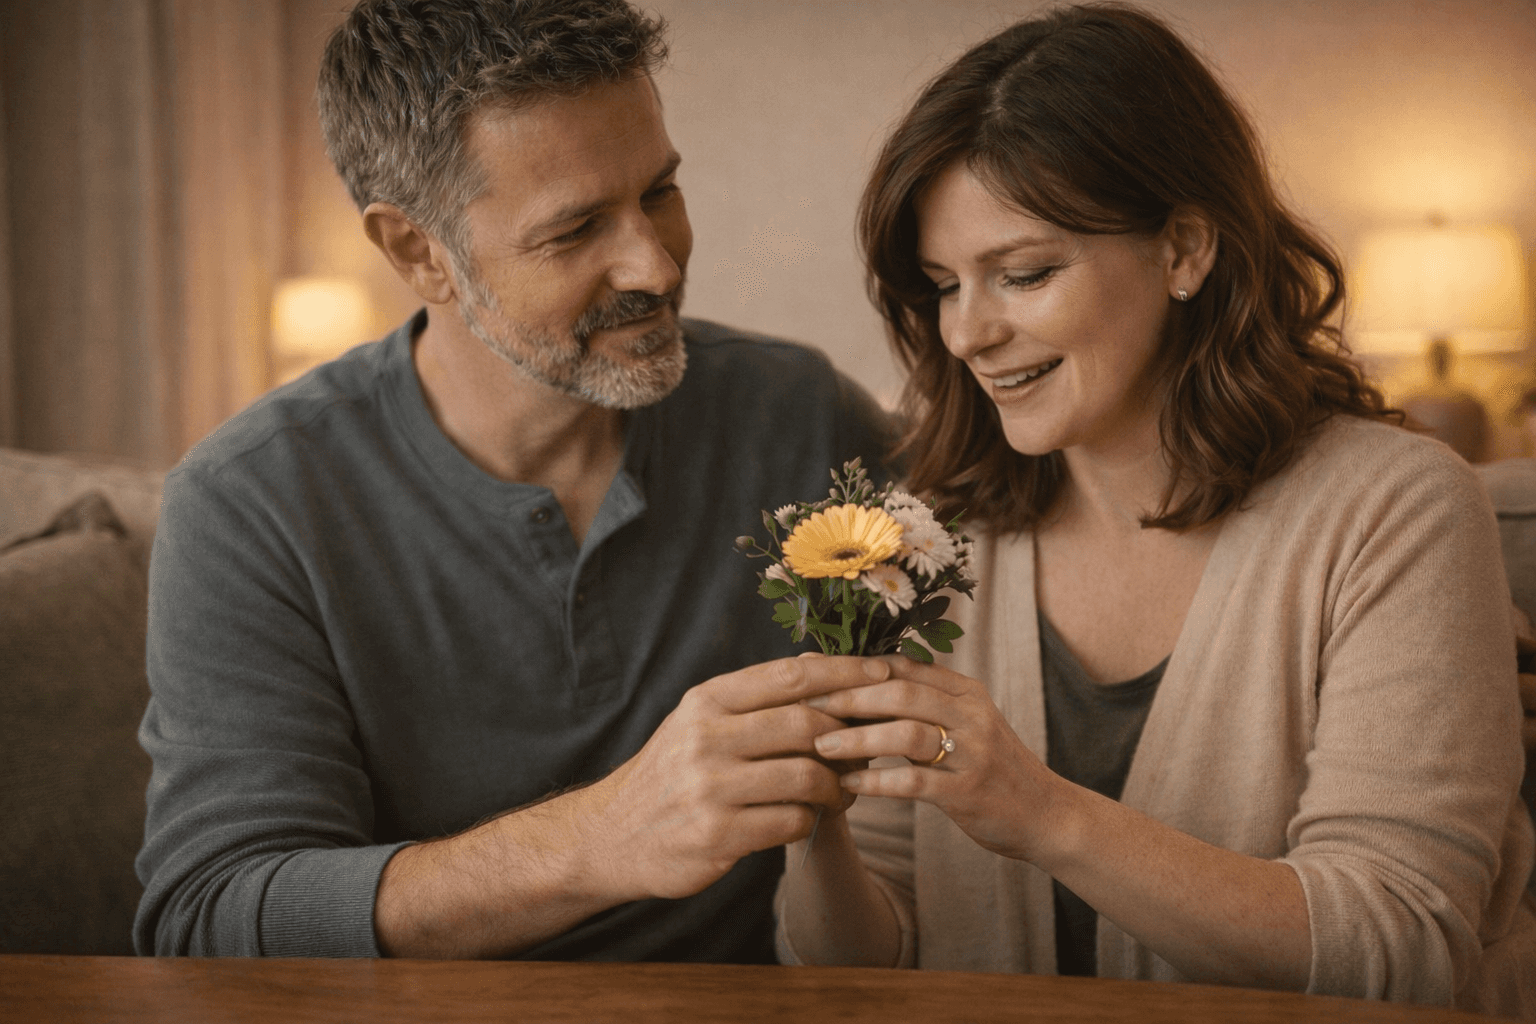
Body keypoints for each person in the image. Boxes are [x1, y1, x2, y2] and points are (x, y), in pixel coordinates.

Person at [774, 4, 1536, 1016]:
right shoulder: (928, 537)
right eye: (944, 285)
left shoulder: (1396, 510)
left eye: (1024, 272)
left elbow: (1400, 945)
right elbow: (858, 969)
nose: (968, 331)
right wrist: (811, 819)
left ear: (1184, 248)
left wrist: (1041, 812)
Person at [133, 0, 894, 961]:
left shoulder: (798, 411)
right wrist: (598, 839)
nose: (654, 267)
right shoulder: (248, 505)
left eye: (659, 192)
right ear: (419, 252)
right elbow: (210, 917)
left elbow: (1026, 524)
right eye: (574, 230)